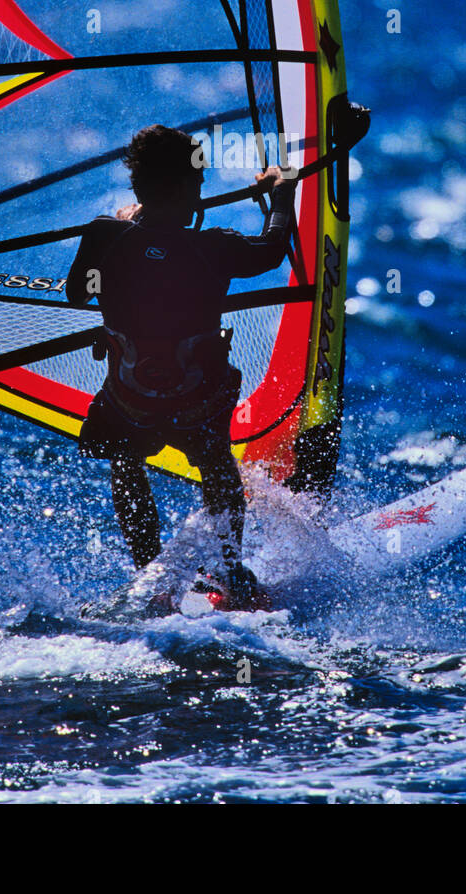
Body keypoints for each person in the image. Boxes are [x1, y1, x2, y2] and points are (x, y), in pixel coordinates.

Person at [66, 123, 297, 607]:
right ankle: (231, 570)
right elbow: (274, 250)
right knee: (215, 462)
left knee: (127, 460)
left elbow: (78, 292)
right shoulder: (214, 247)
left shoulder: (104, 235)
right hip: (197, 399)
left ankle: (151, 579)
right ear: (193, 189)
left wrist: (124, 229)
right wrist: (281, 194)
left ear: (137, 187)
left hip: (132, 398)